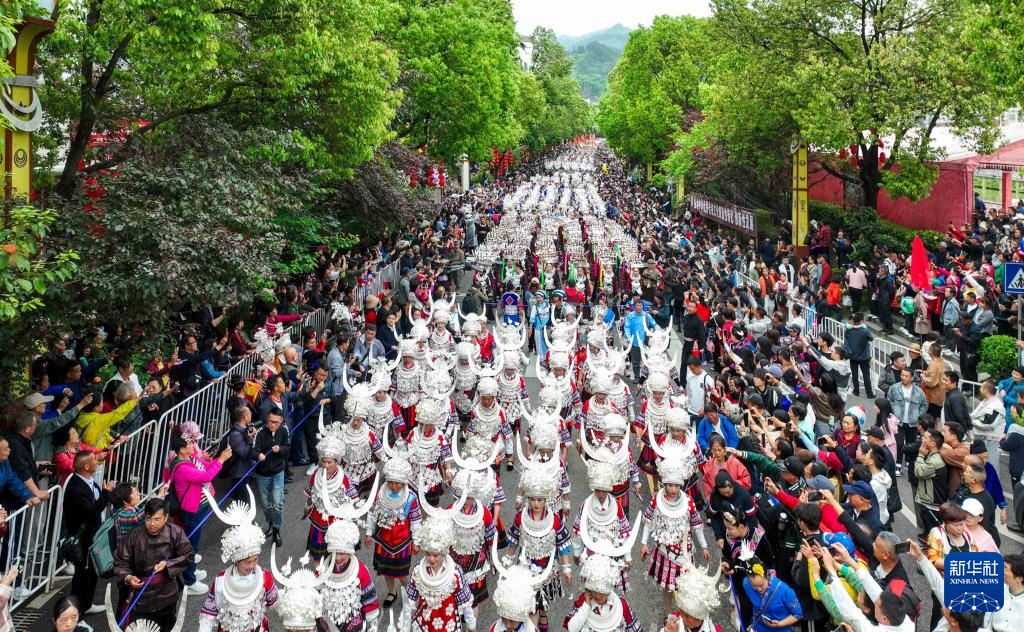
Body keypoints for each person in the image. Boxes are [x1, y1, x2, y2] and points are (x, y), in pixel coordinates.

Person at [199, 487, 279, 632]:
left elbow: (277, 602)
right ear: (236, 561)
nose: (253, 565)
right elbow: (209, 611)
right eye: (247, 562)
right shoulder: (221, 580)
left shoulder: (264, 577)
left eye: (255, 560)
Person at [113, 497, 194, 631]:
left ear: (165, 517)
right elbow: (120, 561)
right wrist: (128, 577)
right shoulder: (134, 535)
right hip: (141, 597)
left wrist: (168, 564)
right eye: (148, 519)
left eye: (157, 519)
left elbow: (188, 555)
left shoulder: (175, 532)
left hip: (167, 595)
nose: (152, 524)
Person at [168, 433, 231, 596]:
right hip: (193, 510)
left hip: (200, 506)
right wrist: (221, 460)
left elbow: (208, 466)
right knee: (190, 546)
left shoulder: (192, 458)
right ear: (182, 450)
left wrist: (219, 459)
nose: (193, 444)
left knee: (194, 544)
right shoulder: (182, 468)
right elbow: (206, 476)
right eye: (190, 443)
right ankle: (189, 581)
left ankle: (192, 570)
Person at [63, 450, 117, 615]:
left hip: (94, 535)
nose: (97, 461)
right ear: (86, 466)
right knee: (82, 574)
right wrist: (106, 494)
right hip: (83, 539)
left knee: (92, 571)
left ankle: (87, 604)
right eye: (94, 460)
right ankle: (76, 612)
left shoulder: (88, 481)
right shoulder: (75, 488)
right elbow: (91, 512)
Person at [402, 515, 476, 632]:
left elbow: (465, 602)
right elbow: (409, 599)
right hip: (424, 623)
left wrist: (471, 625)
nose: (431, 559)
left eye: (436, 555)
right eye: (428, 554)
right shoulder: (418, 570)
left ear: (444, 552)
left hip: (448, 624)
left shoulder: (455, 572)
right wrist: (402, 623)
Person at [252, 409, 289, 547]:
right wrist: (258, 455)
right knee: (266, 504)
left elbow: (287, 447)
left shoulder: (284, 430)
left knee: (278, 504)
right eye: (270, 421)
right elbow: (253, 450)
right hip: (262, 474)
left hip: (278, 472)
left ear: (281, 420)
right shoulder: (260, 432)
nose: (272, 424)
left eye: (275, 422)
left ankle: (276, 530)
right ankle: (270, 524)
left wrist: (280, 449)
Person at [885, 369, 926, 476]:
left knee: (911, 443)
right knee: (898, 443)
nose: (903, 377)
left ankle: (909, 462)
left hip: (913, 423)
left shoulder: (918, 391)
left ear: (912, 378)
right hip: (898, 421)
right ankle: (898, 464)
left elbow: (924, 405)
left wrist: (919, 416)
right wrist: (893, 411)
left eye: (906, 376)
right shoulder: (894, 388)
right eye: (902, 375)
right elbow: (889, 400)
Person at [741, 562, 802, 632]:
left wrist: (780, 624)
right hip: (758, 628)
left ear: (767, 576)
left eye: (761, 585)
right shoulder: (746, 583)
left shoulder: (785, 591)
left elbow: (798, 615)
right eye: (754, 586)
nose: (759, 589)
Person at [843, 312, 874, 397]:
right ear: (861, 321)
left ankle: (856, 391)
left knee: (854, 374)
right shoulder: (865, 331)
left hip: (852, 355)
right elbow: (871, 339)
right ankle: (869, 393)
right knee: (866, 375)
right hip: (864, 356)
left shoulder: (849, 330)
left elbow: (846, 339)